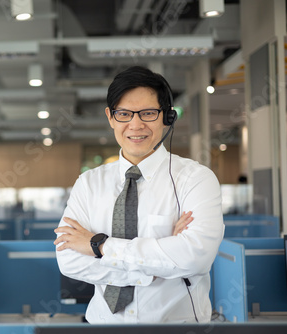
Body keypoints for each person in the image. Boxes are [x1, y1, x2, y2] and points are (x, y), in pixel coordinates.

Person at [54, 66, 224, 324]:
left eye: (147, 113)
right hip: (103, 325)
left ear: (167, 117)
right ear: (111, 117)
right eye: (124, 114)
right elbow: (68, 260)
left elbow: (195, 257)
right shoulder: (88, 183)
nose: (135, 124)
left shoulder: (196, 179)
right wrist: (156, 267)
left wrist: (98, 245)